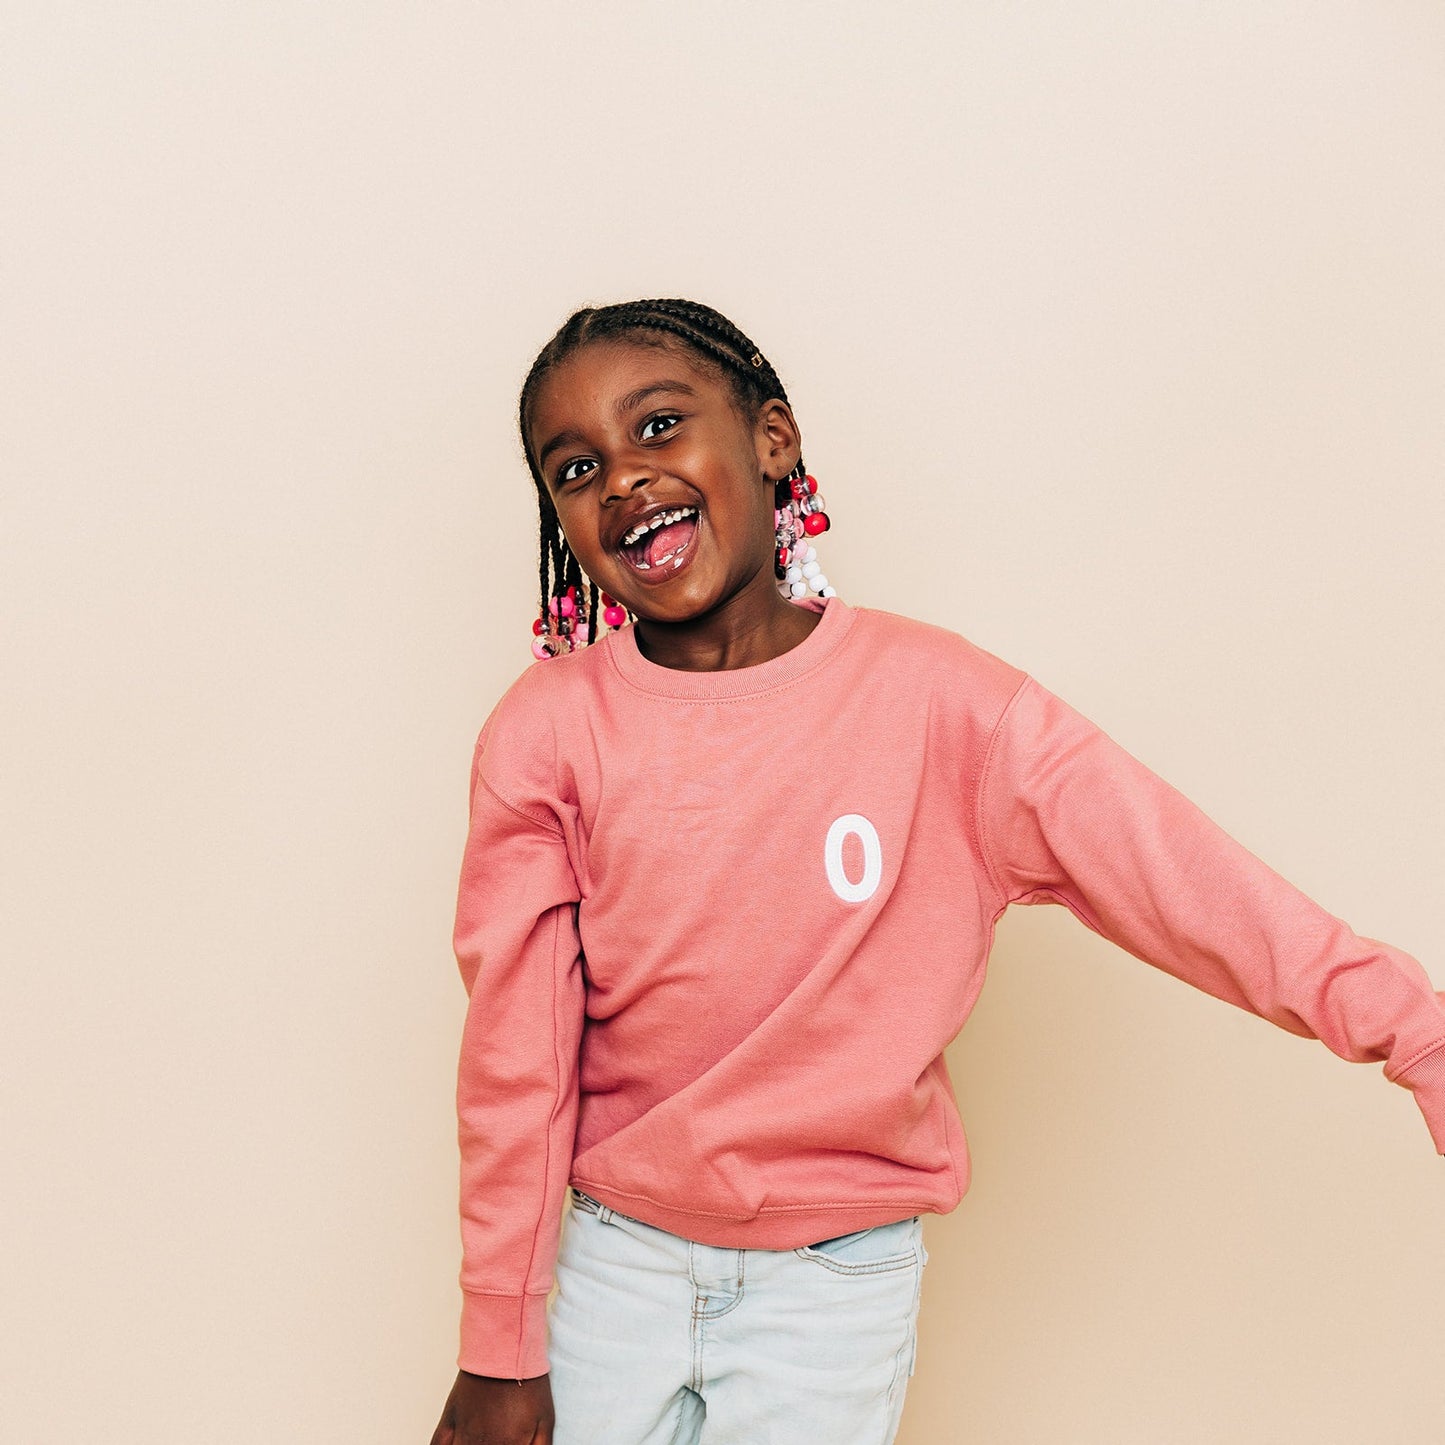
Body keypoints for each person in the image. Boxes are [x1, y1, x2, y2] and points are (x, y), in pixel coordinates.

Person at [428, 299, 1445, 1445]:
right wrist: (499, 1344)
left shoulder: (947, 707)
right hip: (611, 1265)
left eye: (659, 426)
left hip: (833, 1293)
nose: (622, 477)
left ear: (771, 439)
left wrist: (1415, 1033)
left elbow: (1184, 879)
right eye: (576, 466)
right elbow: (516, 1056)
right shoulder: (545, 732)